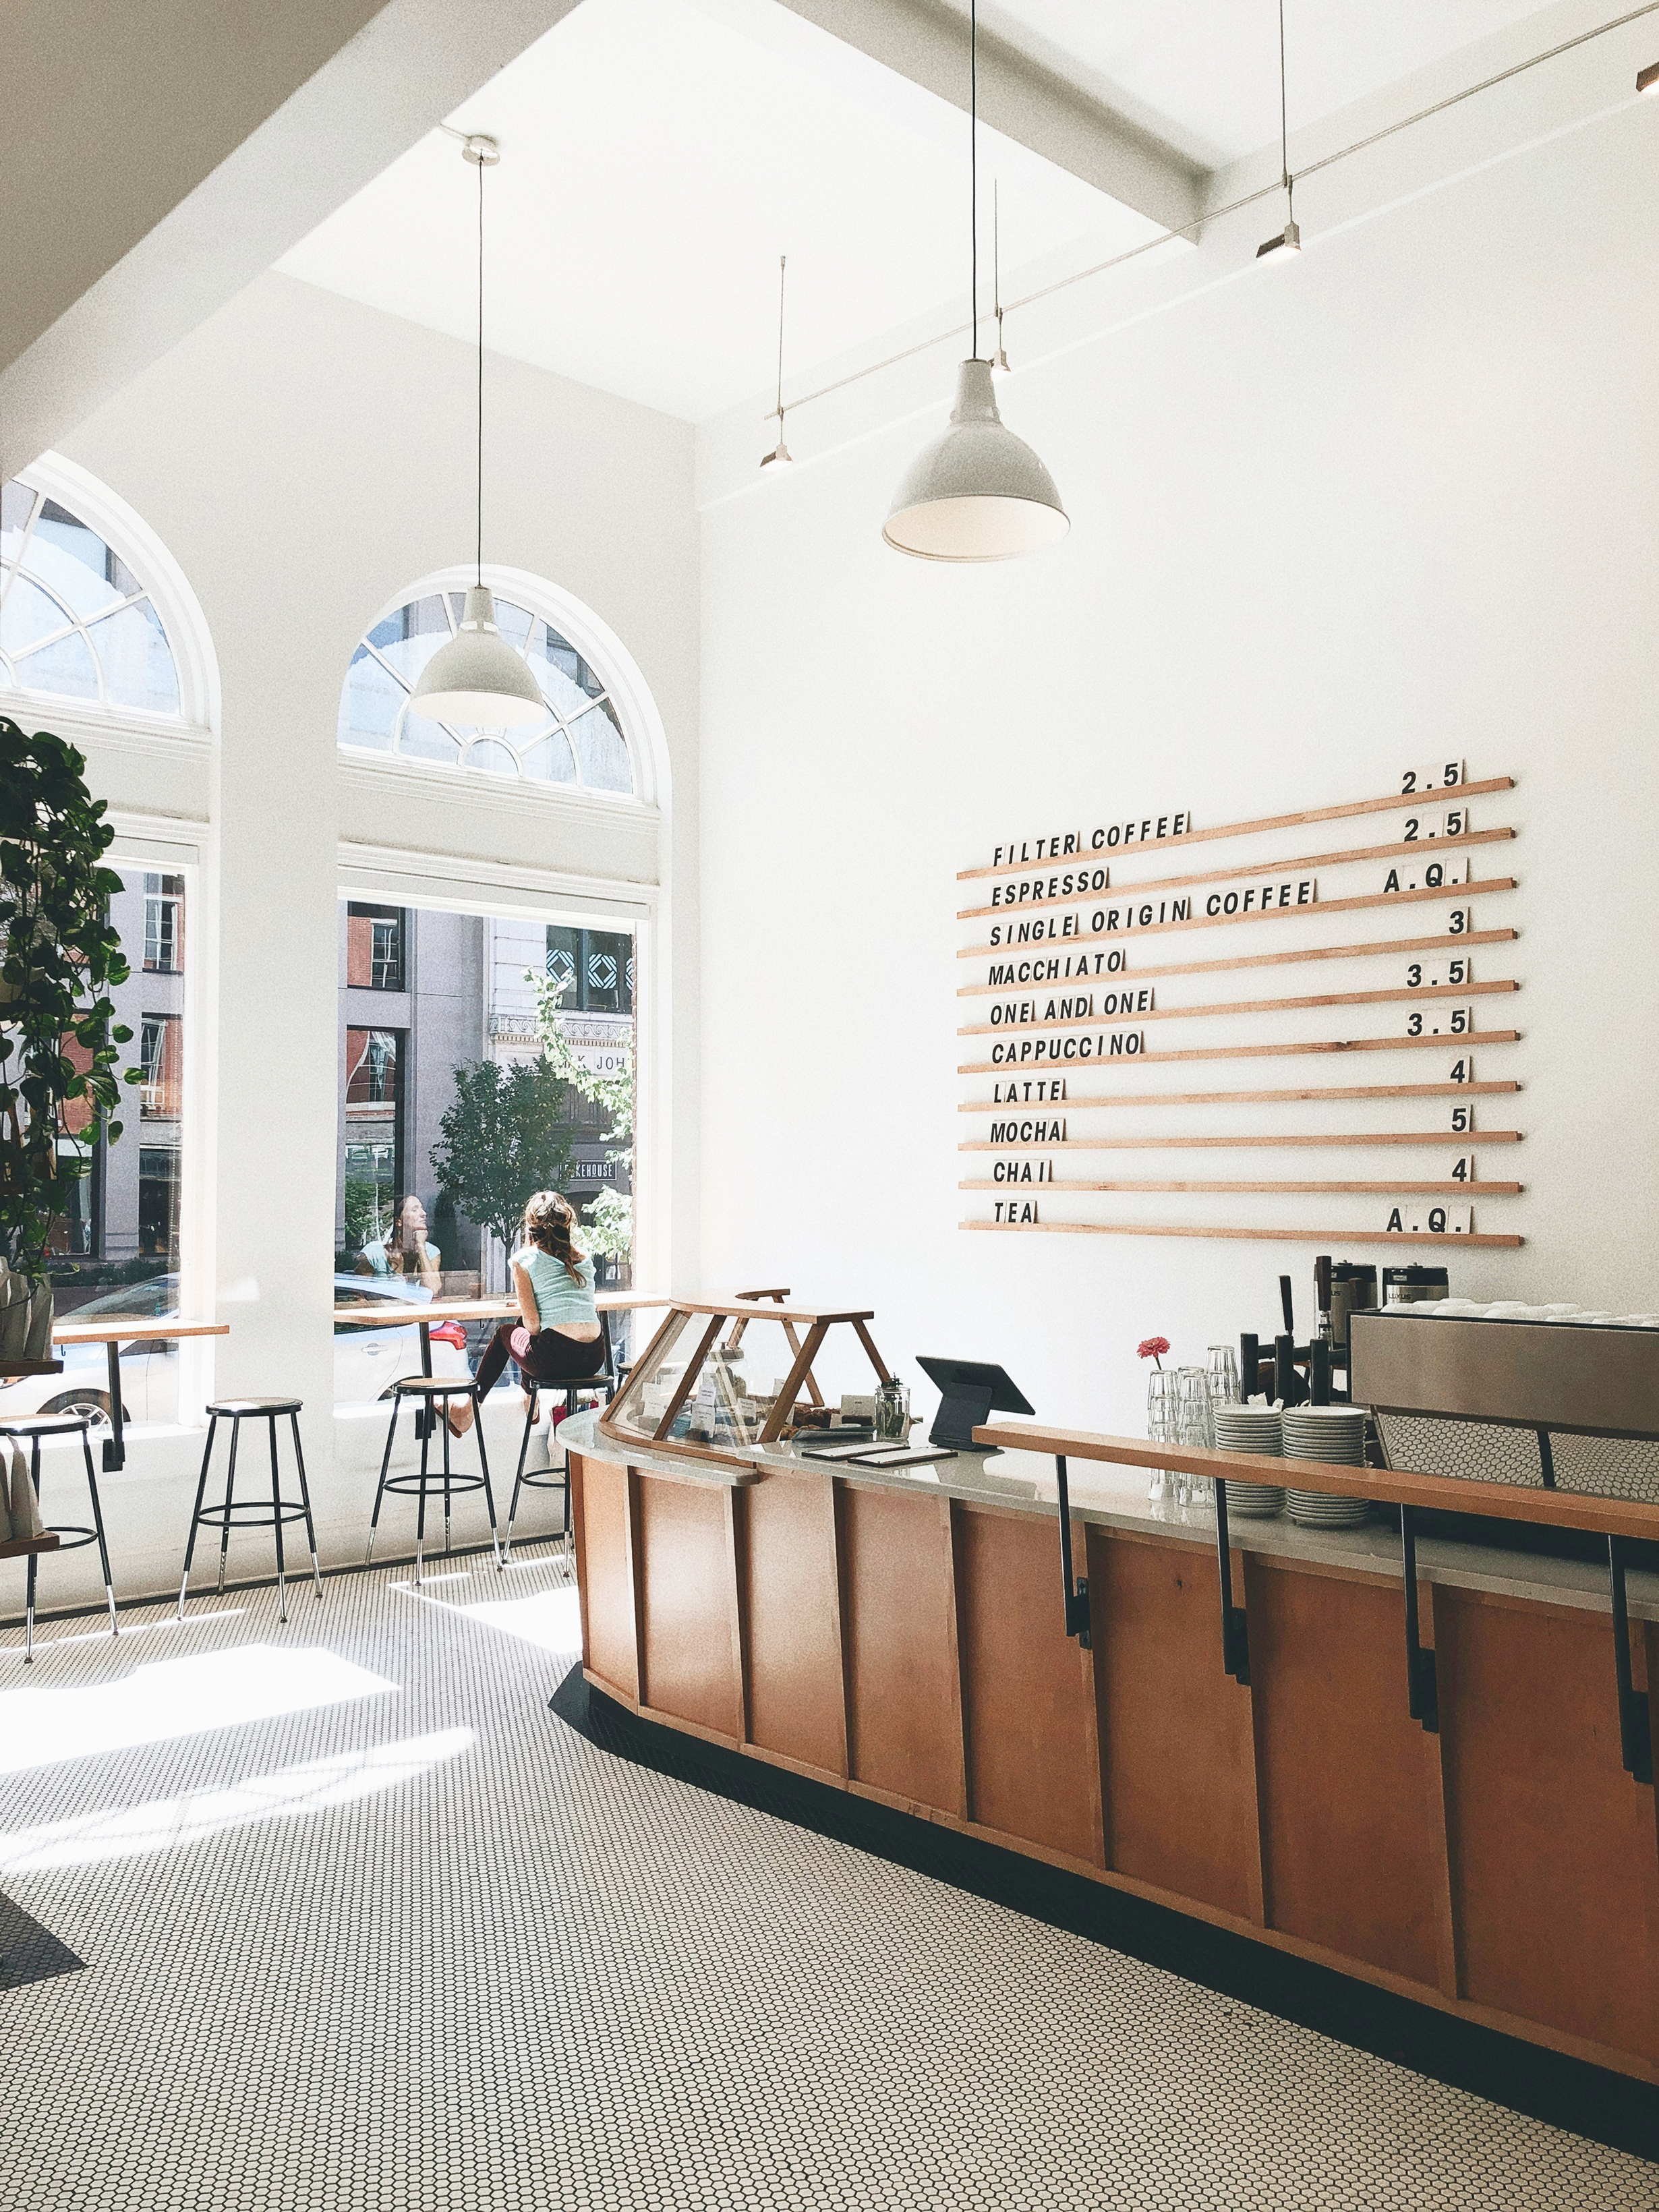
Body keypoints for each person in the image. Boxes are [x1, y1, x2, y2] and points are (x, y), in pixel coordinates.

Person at [448, 1190, 604, 1435]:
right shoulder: (585, 1257)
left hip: (556, 1361)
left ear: (531, 1227)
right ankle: (529, 1398)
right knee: (523, 1330)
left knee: (505, 1333)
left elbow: (532, 1326)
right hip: (595, 1358)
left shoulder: (524, 1259)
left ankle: (467, 1412)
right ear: (568, 1222)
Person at [356, 1194, 442, 1293]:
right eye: (415, 1210)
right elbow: (360, 1295)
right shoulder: (375, 1253)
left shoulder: (432, 1252)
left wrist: (421, 1247)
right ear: (399, 1222)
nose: (424, 1214)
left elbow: (433, 1290)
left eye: (422, 1209)